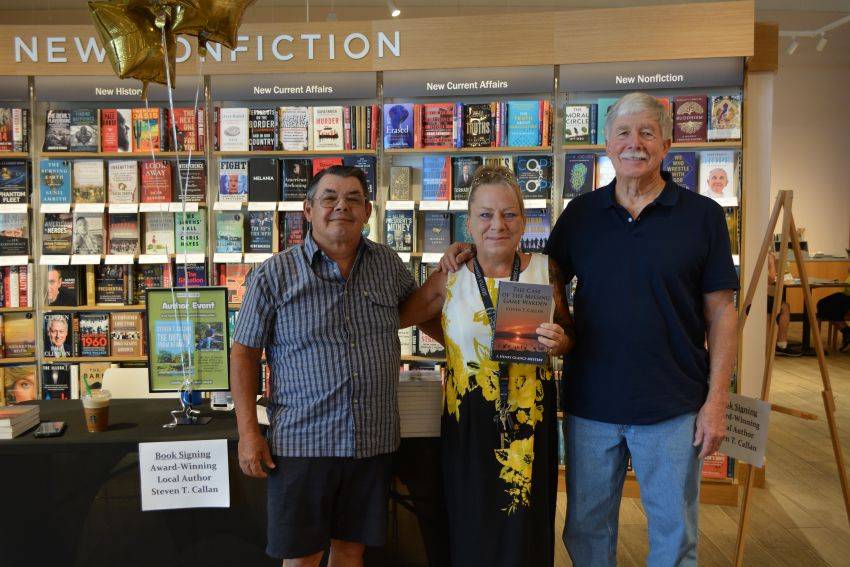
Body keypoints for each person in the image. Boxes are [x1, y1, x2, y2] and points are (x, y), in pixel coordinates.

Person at [440, 92, 738, 566]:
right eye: (623, 132)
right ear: (606, 143)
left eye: (646, 133)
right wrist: (466, 251)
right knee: (586, 533)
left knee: (675, 536)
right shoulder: (580, 215)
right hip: (590, 407)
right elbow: (531, 274)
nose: (634, 143)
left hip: (674, 405)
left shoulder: (702, 216)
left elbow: (723, 312)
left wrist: (717, 400)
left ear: (666, 144)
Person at [230, 165, 430, 567]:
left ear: (368, 210)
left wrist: (446, 279)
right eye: (330, 198)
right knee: (301, 559)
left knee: (350, 552)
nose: (342, 206)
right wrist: (248, 433)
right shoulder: (274, 275)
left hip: (370, 443)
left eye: (353, 198)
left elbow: (414, 310)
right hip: (303, 445)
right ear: (308, 210)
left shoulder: (388, 264)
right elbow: (244, 353)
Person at [401, 166, 574, 567]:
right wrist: (455, 340)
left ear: (523, 218)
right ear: (469, 221)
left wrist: (562, 341)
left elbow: (570, 331)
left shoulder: (545, 270)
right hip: (470, 425)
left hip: (529, 427)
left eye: (509, 213)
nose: (498, 224)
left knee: (525, 531)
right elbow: (404, 315)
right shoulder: (450, 275)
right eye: (485, 214)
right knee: (471, 523)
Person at [767, 251, 799, 356]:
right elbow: (771, 279)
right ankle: (781, 345)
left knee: (783, 305)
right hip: (757, 300)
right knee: (784, 307)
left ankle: (780, 343)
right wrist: (771, 262)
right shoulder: (760, 257)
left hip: (759, 297)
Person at [817, 266, 850, 351]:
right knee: (824, 304)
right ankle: (847, 333)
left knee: (828, 306)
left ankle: (847, 333)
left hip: (847, 298)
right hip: (846, 295)